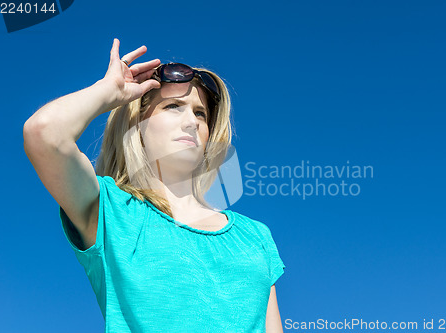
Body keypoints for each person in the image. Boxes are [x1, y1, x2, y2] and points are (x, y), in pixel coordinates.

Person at [23, 38, 286, 332]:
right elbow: (44, 133)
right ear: (136, 126)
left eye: (200, 113)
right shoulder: (111, 212)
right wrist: (108, 92)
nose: (192, 122)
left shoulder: (255, 236)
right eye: (173, 106)